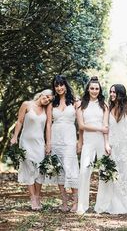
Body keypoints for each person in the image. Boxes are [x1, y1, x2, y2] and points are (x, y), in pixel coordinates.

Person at [95, 84, 127, 214]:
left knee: (126, 173)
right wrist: (106, 144)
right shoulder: (108, 107)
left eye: (115, 92)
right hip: (113, 146)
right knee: (115, 174)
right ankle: (114, 203)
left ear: (121, 94)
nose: (112, 94)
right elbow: (106, 127)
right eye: (111, 92)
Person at [10, 89, 53, 210]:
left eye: (50, 99)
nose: (47, 99)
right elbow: (19, 121)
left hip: (39, 143)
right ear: (42, 94)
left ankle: (38, 196)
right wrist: (14, 137)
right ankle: (33, 198)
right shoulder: (26, 104)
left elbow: (48, 126)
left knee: (40, 169)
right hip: (26, 142)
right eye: (47, 96)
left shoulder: (46, 109)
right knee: (28, 168)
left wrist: (48, 143)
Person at [46, 75, 80, 212]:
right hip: (55, 139)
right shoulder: (51, 103)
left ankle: (76, 202)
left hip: (70, 139)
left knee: (71, 169)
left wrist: (80, 141)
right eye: (56, 85)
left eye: (61, 85)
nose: (59, 88)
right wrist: (48, 143)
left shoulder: (75, 102)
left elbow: (80, 124)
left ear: (66, 86)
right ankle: (64, 202)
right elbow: (48, 124)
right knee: (59, 170)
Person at [76, 76, 109, 214]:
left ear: (99, 90)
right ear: (88, 89)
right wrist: (99, 129)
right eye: (92, 88)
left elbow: (106, 125)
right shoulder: (81, 105)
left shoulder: (104, 105)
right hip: (89, 142)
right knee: (84, 171)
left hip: (101, 141)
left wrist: (107, 143)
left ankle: (101, 205)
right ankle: (82, 205)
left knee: (104, 171)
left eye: (97, 88)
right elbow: (81, 126)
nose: (94, 91)